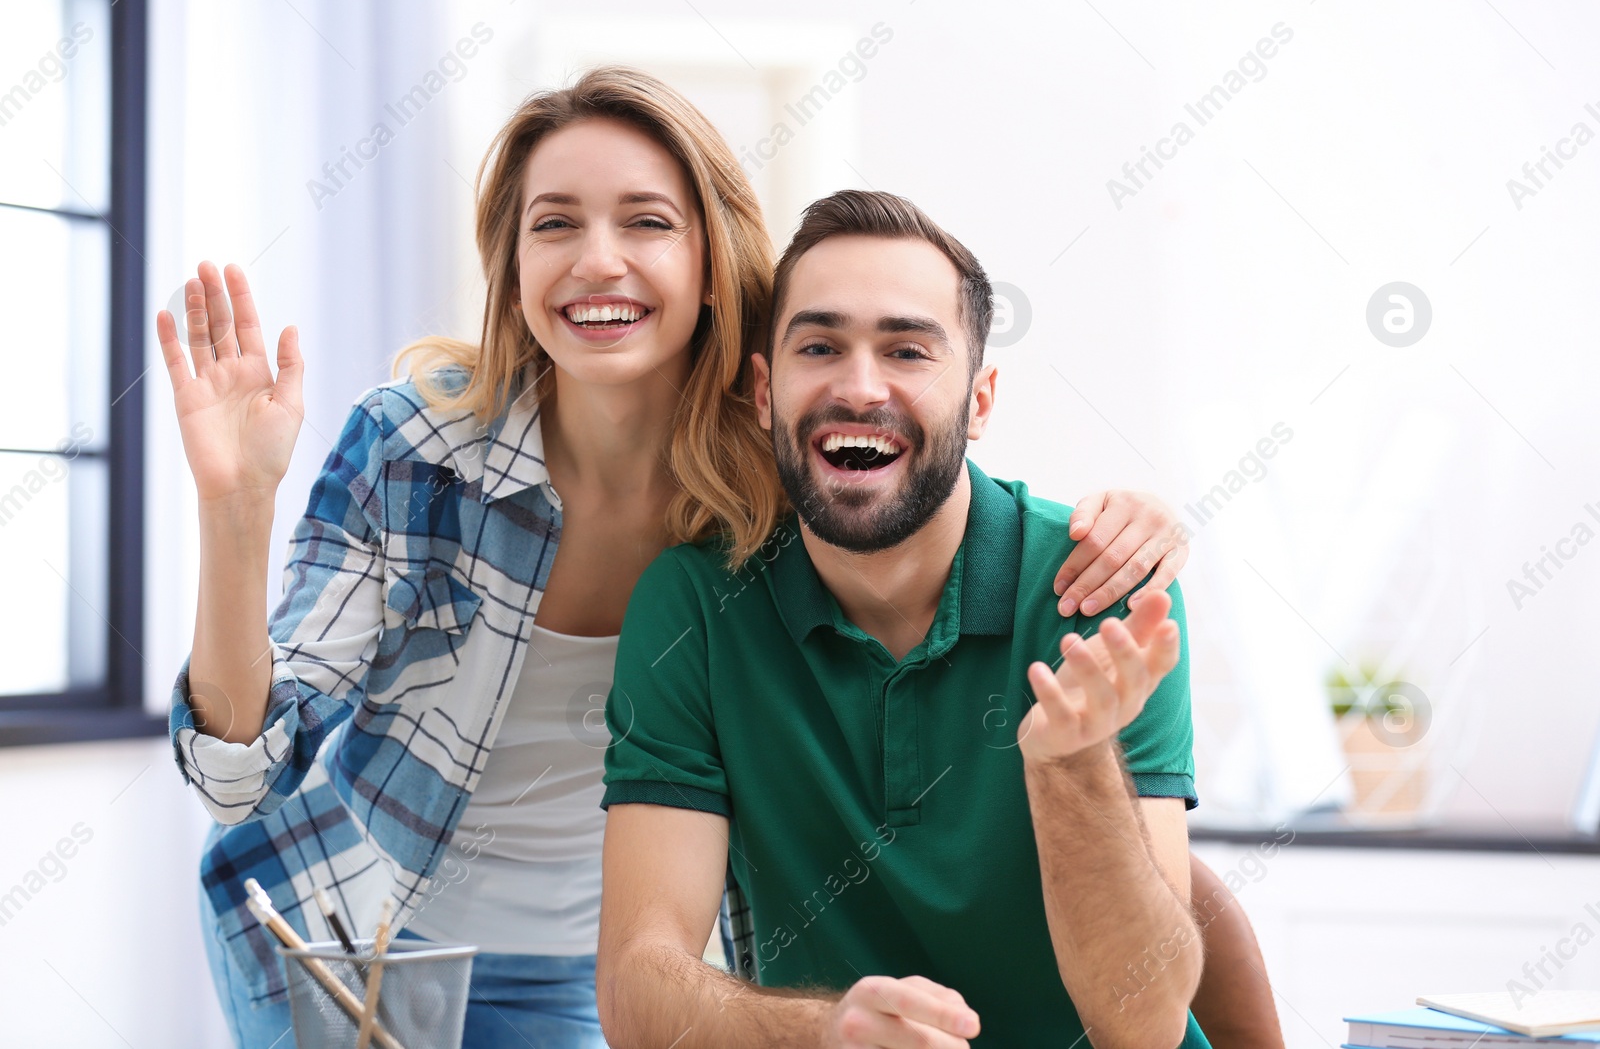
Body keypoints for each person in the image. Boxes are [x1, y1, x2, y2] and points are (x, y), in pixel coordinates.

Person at [155, 68, 1193, 1049]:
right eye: (552, 223)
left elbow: (923, 468)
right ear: (512, 272)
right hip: (339, 921)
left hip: (574, 957)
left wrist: (1143, 515)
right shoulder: (416, 450)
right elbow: (243, 778)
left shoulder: (778, 478)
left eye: (646, 222)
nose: (597, 259)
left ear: (710, 263)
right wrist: (234, 510)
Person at [596, 189, 1223, 1047]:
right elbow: (638, 989)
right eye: (820, 346)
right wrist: (825, 1033)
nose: (860, 386)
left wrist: (1072, 768)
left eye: (907, 350)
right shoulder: (698, 607)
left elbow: (1143, 1024)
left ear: (980, 400)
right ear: (764, 392)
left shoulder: (1100, 587)